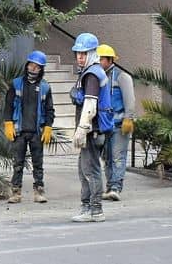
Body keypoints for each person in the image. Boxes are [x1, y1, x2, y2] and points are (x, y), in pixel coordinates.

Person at [69, 33, 114, 222]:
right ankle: (87, 207)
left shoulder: (92, 75)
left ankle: (95, 210)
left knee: (90, 170)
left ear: (92, 53)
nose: (80, 57)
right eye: (78, 53)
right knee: (84, 168)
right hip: (94, 130)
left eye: (83, 53)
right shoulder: (90, 72)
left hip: (92, 130)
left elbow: (90, 105)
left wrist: (82, 128)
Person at [3, 50, 55, 204]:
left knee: (38, 164)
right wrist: (8, 123)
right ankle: (16, 192)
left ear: (41, 69)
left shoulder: (45, 87)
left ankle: (39, 191)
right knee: (18, 163)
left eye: (37, 67)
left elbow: (49, 110)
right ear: (27, 65)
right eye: (31, 65)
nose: (33, 69)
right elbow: (8, 106)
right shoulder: (16, 83)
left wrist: (48, 127)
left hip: (37, 132)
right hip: (19, 131)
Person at [97, 44, 136, 201]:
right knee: (107, 157)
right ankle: (110, 186)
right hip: (104, 125)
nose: (98, 61)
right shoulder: (98, 76)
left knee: (118, 156)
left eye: (101, 58)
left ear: (110, 60)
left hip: (119, 124)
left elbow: (130, 99)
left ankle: (115, 187)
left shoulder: (122, 76)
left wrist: (129, 118)